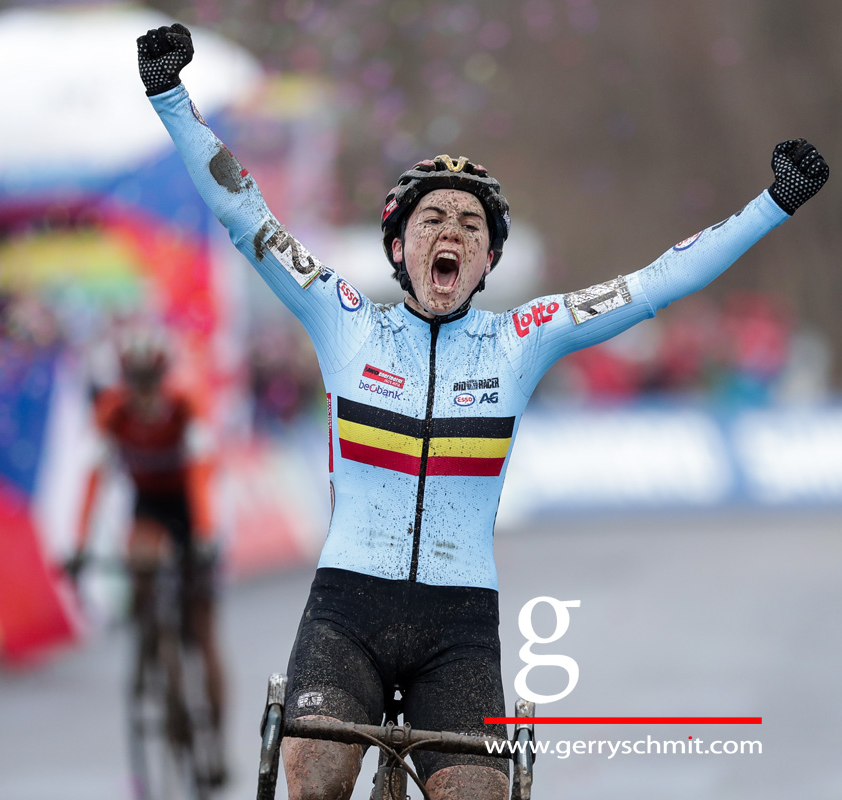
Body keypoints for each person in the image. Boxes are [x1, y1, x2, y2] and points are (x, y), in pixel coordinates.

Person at [135, 23, 829, 800]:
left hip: (457, 630)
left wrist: (773, 205)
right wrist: (170, 98)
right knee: (317, 779)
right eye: (431, 220)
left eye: (471, 226)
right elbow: (246, 214)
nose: (451, 233)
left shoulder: (520, 341)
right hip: (345, 616)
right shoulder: (345, 318)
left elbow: (656, 283)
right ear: (398, 248)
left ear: (489, 262)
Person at [72, 329, 227, 783]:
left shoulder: (184, 405)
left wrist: (202, 537)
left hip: (189, 506)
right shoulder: (112, 412)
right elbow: (94, 480)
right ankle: (148, 631)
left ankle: (214, 739)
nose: (143, 392)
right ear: (124, 380)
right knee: (139, 558)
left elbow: (199, 476)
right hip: (150, 509)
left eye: (151, 380)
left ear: (163, 376)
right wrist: (80, 545)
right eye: (134, 381)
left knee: (203, 630)